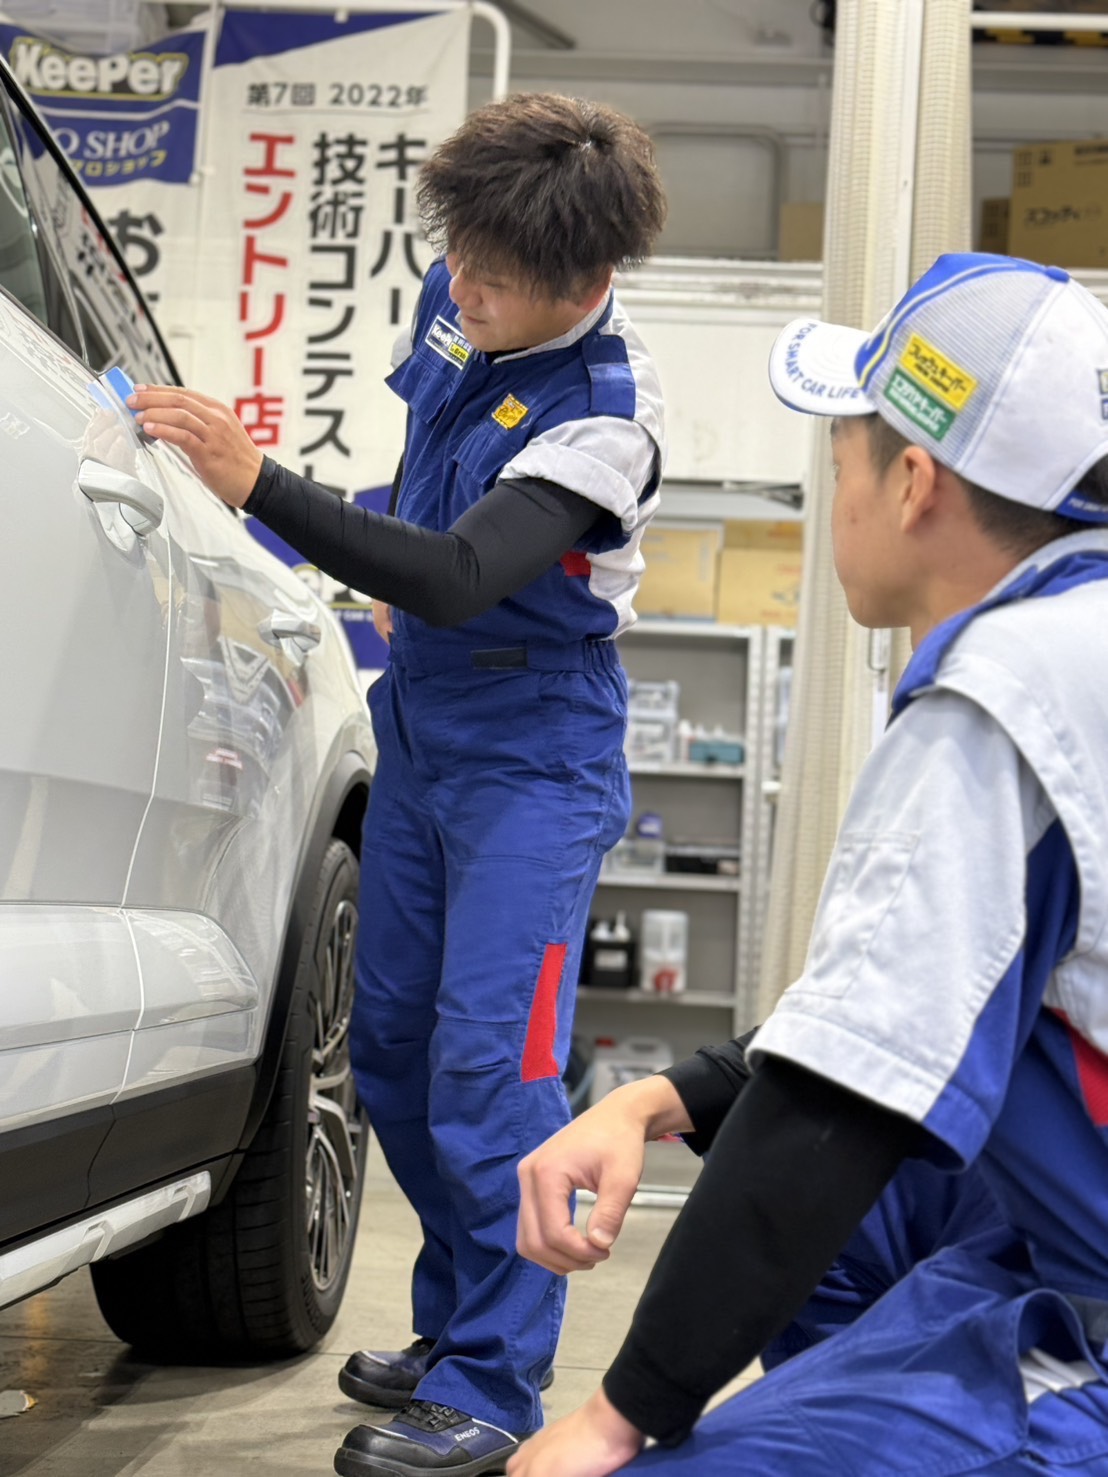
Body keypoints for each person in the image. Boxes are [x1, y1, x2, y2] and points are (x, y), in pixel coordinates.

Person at [129, 92, 666, 1477]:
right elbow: (421, 475)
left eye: (501, 280)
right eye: (460, 258)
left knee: (495, 1067)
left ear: (590, 284)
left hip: (536, 759)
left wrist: (257, 482)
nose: (467, 291)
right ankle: (451, 1322)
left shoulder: (605, 423)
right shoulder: (461, 291)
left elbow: (453, 570)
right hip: (421, 726)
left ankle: (496, 1384)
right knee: (392, 1055)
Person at [506, 251, 1108, 1476]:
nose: (831, 494)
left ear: (911, 483)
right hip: (1054, 1213)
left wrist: (617, 1416)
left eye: (836, 464)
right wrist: (656, 1099)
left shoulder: (1007, 695)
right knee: (827, 1189)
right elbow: (908, 1005)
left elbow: (851, 1091)